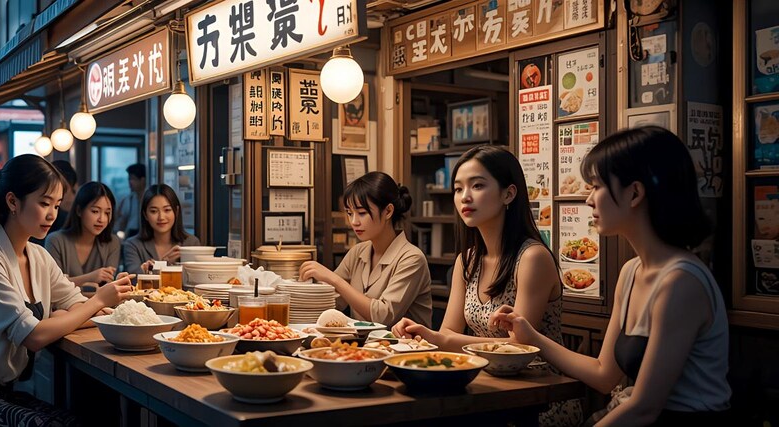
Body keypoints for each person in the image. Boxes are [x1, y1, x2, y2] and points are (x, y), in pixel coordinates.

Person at [491, 127, 731, 425]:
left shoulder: (681, 282)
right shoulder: (632, 272)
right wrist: (532, 337)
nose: (588, 198)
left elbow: (644, 407)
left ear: (634, 193)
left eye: (595, 186)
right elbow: (605, 374)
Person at [0, 154, 132, 425]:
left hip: (2, 394)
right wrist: (93, 304)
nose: (52, 214)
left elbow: (73, 302)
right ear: (12, 201)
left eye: (56, 205)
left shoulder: (38, 255)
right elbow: (33, 337)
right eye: (44, 203)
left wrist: (63, 316)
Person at [392, 145, 582, 426]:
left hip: (541, 396)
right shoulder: (467, 261)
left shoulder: (532, 258)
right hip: (488, 388)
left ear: (509, 193)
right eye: (458, 189)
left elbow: (518, 347)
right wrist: (433, 337)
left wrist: (440, 339)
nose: (464, 197)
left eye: (477, 185)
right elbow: (448, 330)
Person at [297, 172, 432, 327]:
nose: (354, 222)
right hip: (363, 347)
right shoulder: (358, 252)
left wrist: (332, 278)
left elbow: (383, 316)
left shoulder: (412, 258)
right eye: (349, 213)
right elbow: (332, 302)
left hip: (410, 348)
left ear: (388, 211)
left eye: (362, 213)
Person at [45, 182, 121, 290]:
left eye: (107, 213)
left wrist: (73, 281)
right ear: (79, 211)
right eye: (95, 211)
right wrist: (90, 278)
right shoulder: (55, 241)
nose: (102, 219)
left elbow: (107, 284)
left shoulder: (112, 242)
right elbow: (53, 285)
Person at [122, 184, 200, 274]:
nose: (161, 217)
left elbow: (196, 279)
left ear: (176, 211)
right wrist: (164, 264)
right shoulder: (133, 245)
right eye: (154, 211)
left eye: (167, 210)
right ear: (145, 215)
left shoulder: (191, 243)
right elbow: (132, 279)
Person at [115, 163, 145, 238]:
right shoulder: (128, 200)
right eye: (129, 179)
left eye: (133, 179)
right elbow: (122, 221)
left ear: (142, 180)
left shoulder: (151, 198)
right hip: (130, 235)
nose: (130, 182)